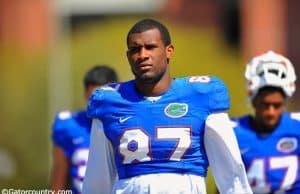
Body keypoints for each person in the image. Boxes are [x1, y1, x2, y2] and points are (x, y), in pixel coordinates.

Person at [82, 18, 252, 194]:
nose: (142, 55)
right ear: (128, 56)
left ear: (168, 51)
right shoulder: (109, 102)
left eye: (150, 47)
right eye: (135, 49)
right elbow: (97, 181)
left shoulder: (202, 96)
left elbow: (232, 176)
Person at [231, 50, 300, 193]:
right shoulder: (231, 132)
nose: (271, 112)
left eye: (277, 105)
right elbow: (224, 185)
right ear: (253, 100)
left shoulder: (297, 127)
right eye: (265, 104)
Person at [50, 65, 118, 194]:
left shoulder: (125, 123)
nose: (97, 106)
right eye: (93, 99)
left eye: (102, 100)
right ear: (85, 95)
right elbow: (59, 175)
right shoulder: (68, 125)